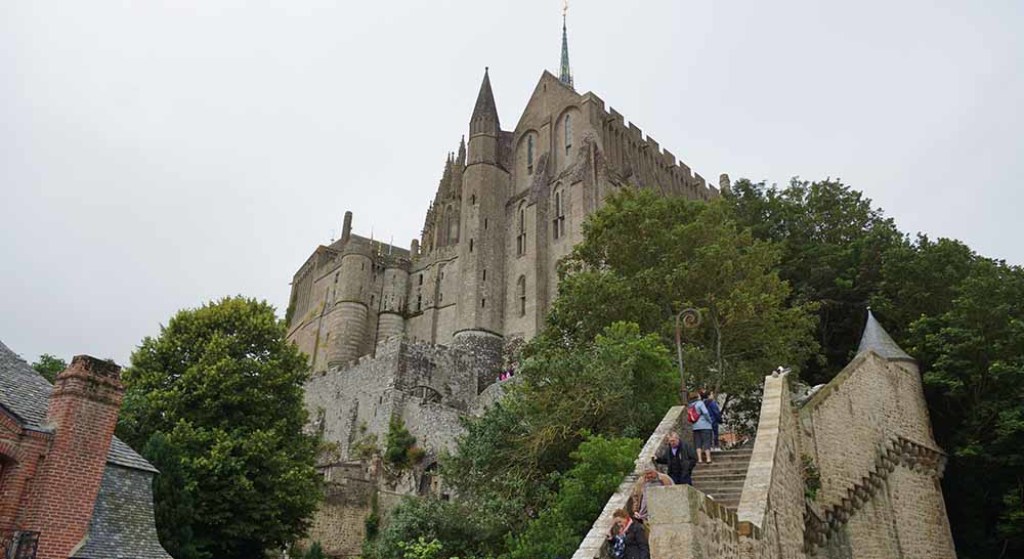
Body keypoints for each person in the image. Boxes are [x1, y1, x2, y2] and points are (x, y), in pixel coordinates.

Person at [690, 390, 714, 464]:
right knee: (707, 442)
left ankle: (699, 459)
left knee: (698, 443)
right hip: (705, 426)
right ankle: (708, 459)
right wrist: (710, 420)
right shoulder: (700, 403)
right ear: (697, 396)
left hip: (695, 426)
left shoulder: (691, 405)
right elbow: (705, 412)